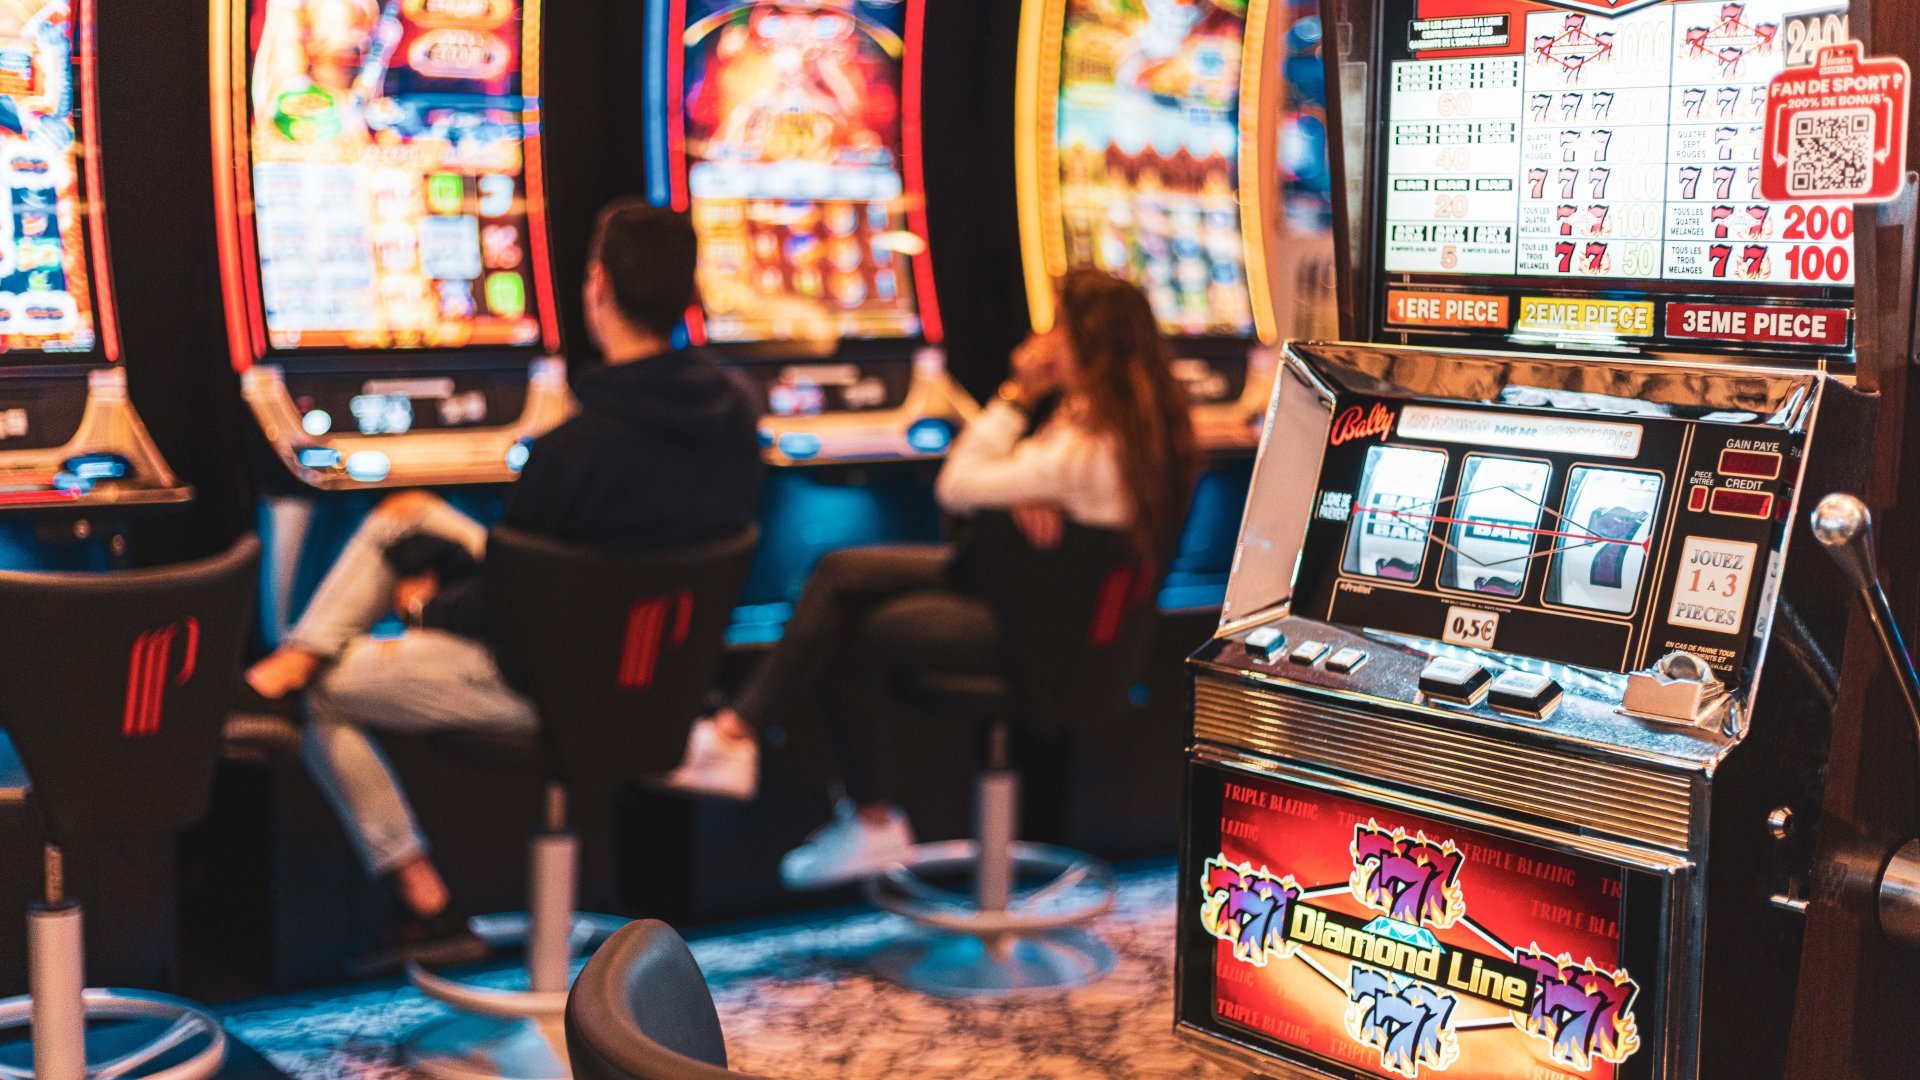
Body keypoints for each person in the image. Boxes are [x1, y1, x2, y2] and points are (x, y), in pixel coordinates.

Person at [242, 202, 763, 969]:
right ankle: (299, 649)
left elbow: (514, 615)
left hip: (554, 683)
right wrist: (463, 573)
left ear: (597, 288)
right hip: (658, 673)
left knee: (322, 689)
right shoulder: (735, 416)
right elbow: (550, 575)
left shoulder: (574, 450)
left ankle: (425, 897)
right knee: (406, 514)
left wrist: (425, 605)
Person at [667, 269, 1199, 889]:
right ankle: (743, 736)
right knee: (841, 573)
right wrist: (1018, 486)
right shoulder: (1124, 432)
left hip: (1045, 646)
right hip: (1036, 605)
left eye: (1056, 326)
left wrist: (1017, 398)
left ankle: (861, 811)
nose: (1042, 338)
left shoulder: (1087, 450)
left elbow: (958, 482)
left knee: (859, 629)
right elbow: (994, 486)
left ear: (1088, 342)